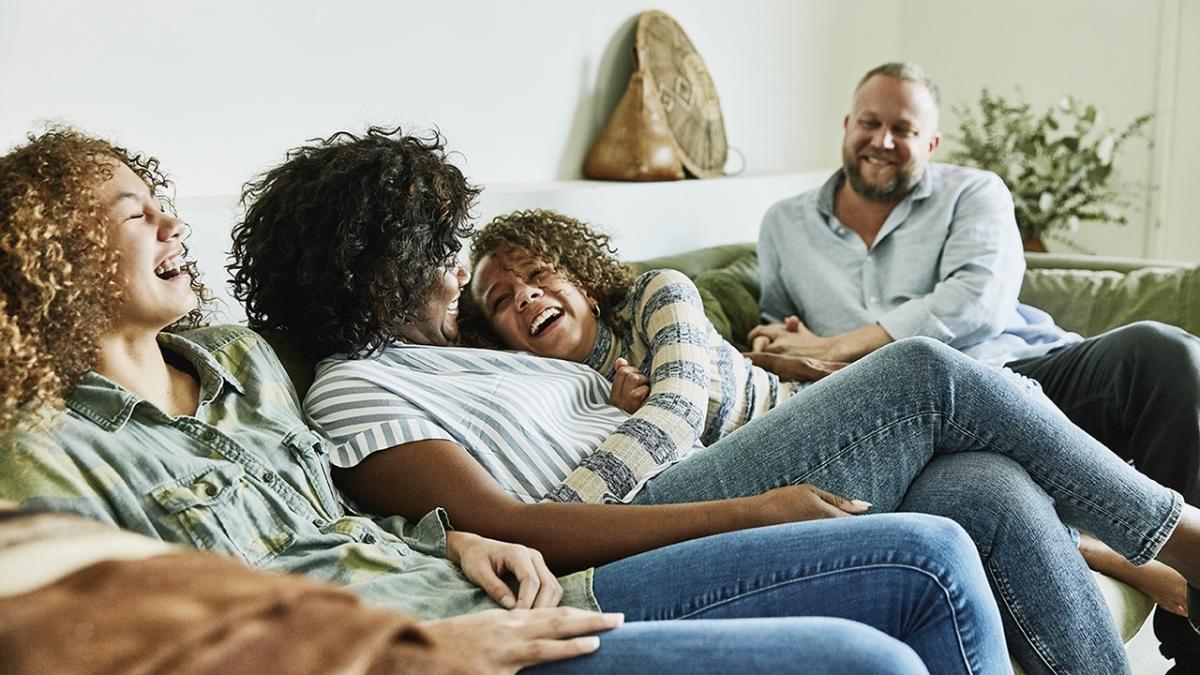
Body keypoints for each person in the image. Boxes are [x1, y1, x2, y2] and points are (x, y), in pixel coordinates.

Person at [0, 128, 1008, 675]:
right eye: (135, 209)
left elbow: (335, 513)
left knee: (943, 539)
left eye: (160, 192)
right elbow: (131, 641)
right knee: (860, 657)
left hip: (486, 590)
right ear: (49, 260)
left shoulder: (243, 365)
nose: (175, 218)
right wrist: (417, 651)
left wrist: (443, 541)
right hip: (433, 646)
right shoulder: (48, 450)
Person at [230, 127, 1200, 674]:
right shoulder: (358, 388)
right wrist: (756, 508)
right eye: (439, 253)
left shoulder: (482, 352)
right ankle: (1179, 537)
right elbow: (512, 523)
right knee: (925, 378)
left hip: (679, 469)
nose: (457, 270)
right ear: (381, 268)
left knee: (981, 485)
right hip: (633, 518)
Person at [749, 60, 1200, 668]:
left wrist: (835, 344)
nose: (882, 141)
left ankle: (1192, 637)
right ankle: (1107, 550)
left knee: (1162, 352)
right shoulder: (785, 224)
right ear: (846, 125)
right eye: (870, 123)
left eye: (903, 130)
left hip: (1020, 370)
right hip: (909, 419)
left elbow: (977, 303)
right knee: (985, 482)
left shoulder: (974, 191)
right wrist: (795, 346)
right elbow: (780, 331)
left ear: (930, 143)